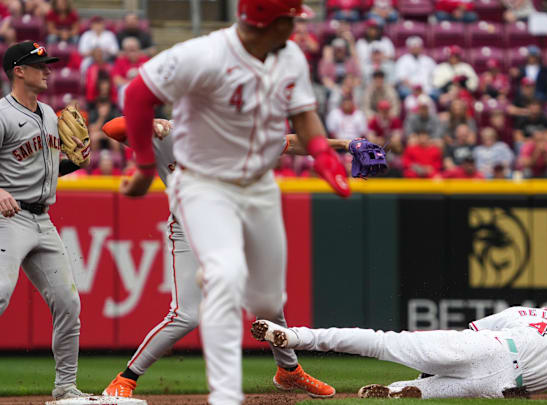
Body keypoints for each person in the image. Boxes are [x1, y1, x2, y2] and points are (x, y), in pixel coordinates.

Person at [118, 1, 351, 403]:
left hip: (255, 191)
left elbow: (301, 120)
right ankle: (158, 383)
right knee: (213, 292)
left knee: (268, 302)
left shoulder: (288, 58)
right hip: (202, 195)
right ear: (267, 21)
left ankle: (289, 370)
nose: (296, 26)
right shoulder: (203, 57)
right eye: (289, 19)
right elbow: (136, 96)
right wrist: (142, 163)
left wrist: (327, 152)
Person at [100, 116, 354, 398]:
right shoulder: (169, 134)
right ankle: (125, 379)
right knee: (185, 315)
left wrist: (344, 143)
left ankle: (289, 371)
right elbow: (112, 129)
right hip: (189, 229)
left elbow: (293, 143)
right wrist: (151, 122)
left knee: (267, 303)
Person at [252, 305, 547, 400]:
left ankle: (295, 336)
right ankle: (401, 390)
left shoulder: (532, 313)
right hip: (503, 384)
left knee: (383, 342)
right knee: (429, 391)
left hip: (488, 346)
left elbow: (473, 331)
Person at [0, 41, 90, 400]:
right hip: (10, 218)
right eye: (40, 65)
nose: (49, 70)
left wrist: (76, 162)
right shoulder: (3, 114)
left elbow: (48, 169)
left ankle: (66, 388)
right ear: (18, 70)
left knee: (68, 303)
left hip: (43, 220)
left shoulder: (51, 114)